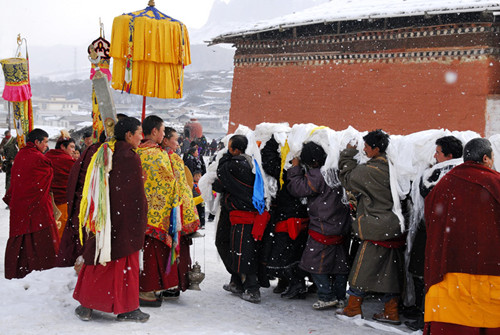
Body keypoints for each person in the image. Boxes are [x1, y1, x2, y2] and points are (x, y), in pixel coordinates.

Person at [73, 117, 149, 322]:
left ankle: (87, 304)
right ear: (128, 135)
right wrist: (140, 216)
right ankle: (127, 308)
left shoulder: (106, 151)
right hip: (123, 219)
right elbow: (134, 195)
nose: (142, 137)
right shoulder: (129, 157)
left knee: (99, 258)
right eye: (139, 132)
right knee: (125, 264)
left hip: (104, 216)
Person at [424, 138, 500, 334]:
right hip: (491, 274)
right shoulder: (496, 183)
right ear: (486, 158)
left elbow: (431, 222)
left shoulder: (443, 184)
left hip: (449, 271)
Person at [338, 129, 404, 325]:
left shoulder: (370, 171)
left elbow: (347, 179)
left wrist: (348, 153)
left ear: (376, 149)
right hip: (394, 225)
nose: (364, 150)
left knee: (361, 269)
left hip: (376, 226)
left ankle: (353, 307)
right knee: (389, 272)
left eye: (367, 147)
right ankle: (391, 311)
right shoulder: (393, 167)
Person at [405, 135, 463, 331]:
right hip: (451, 233)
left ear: (449, 155)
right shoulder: (462, 173)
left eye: (438, 152)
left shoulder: (436, 175)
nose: (434, 156)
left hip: (432, 231)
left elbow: (424, 192)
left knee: (424, 274)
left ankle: (425, 317)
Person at [287, 142, 351, 309]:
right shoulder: (337, 171)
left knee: (312, 262)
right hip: (341, 226)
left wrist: (295, 169)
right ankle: (340, 296)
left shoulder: (319, 175)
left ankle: (326, 295)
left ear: (312, 162)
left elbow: (298, 188)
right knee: (339, 264)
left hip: (323, 227)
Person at [212, 134, 267, 303]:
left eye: (230, 148)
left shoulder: (234, 165)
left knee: (243, 252)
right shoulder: (250, 162)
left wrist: (224, 158)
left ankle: (252, 289)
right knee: (236, 248)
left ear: (236, 150)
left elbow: (219, 181)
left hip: (243, 214)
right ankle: (236, 281)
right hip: (244, 214)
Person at [135, 116, 181, 307]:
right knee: (152, 254)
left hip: (140, 212)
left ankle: (143, 288)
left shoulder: (137, 151)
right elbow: (170, 182)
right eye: (163, 131)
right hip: (158, 214)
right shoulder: (157, 154)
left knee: (143, 253)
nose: (164, 134)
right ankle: (147, 291)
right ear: (154, 132)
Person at [3, 128, 59, 279]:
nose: (47, 146)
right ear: (37, 142)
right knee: (42, 238)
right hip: (37, 205)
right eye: (46, 142)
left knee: (21, 237)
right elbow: (47, 176)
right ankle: (44, 267)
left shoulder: (21, 154)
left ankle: (18, 269)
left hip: (20, 205)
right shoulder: (39, 158)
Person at [260, 136, 310, 299]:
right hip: (303, 218)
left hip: (287, 217)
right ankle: (293, 282)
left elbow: (269, 162)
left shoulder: (287, 173)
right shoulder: (311, 171)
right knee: (296, 251)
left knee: (283, 253)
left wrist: (274, 139)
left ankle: (294, 282)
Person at [57, 132, 106, 268]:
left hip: (75, 203)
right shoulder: (99, 153)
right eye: (71, 147)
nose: (73, 150)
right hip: (82, 205)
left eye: (74, 147)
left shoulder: (89, 152)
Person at [162, 126, 201, 296]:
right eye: (175, 140)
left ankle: (167, 284)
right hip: (175, 211)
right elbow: (183, 189)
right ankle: (173, 284)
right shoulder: (171, 158)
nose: (178, 144)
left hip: (164, 213)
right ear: (165, 140)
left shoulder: (169, 157)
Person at [45, 131, 76, 239]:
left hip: (47, 202)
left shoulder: (46, 156)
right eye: (71, 147)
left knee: (50, 232)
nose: (73, 150)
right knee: (61, 234)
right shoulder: (68, 161)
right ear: (63, 146)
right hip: (62, 202)